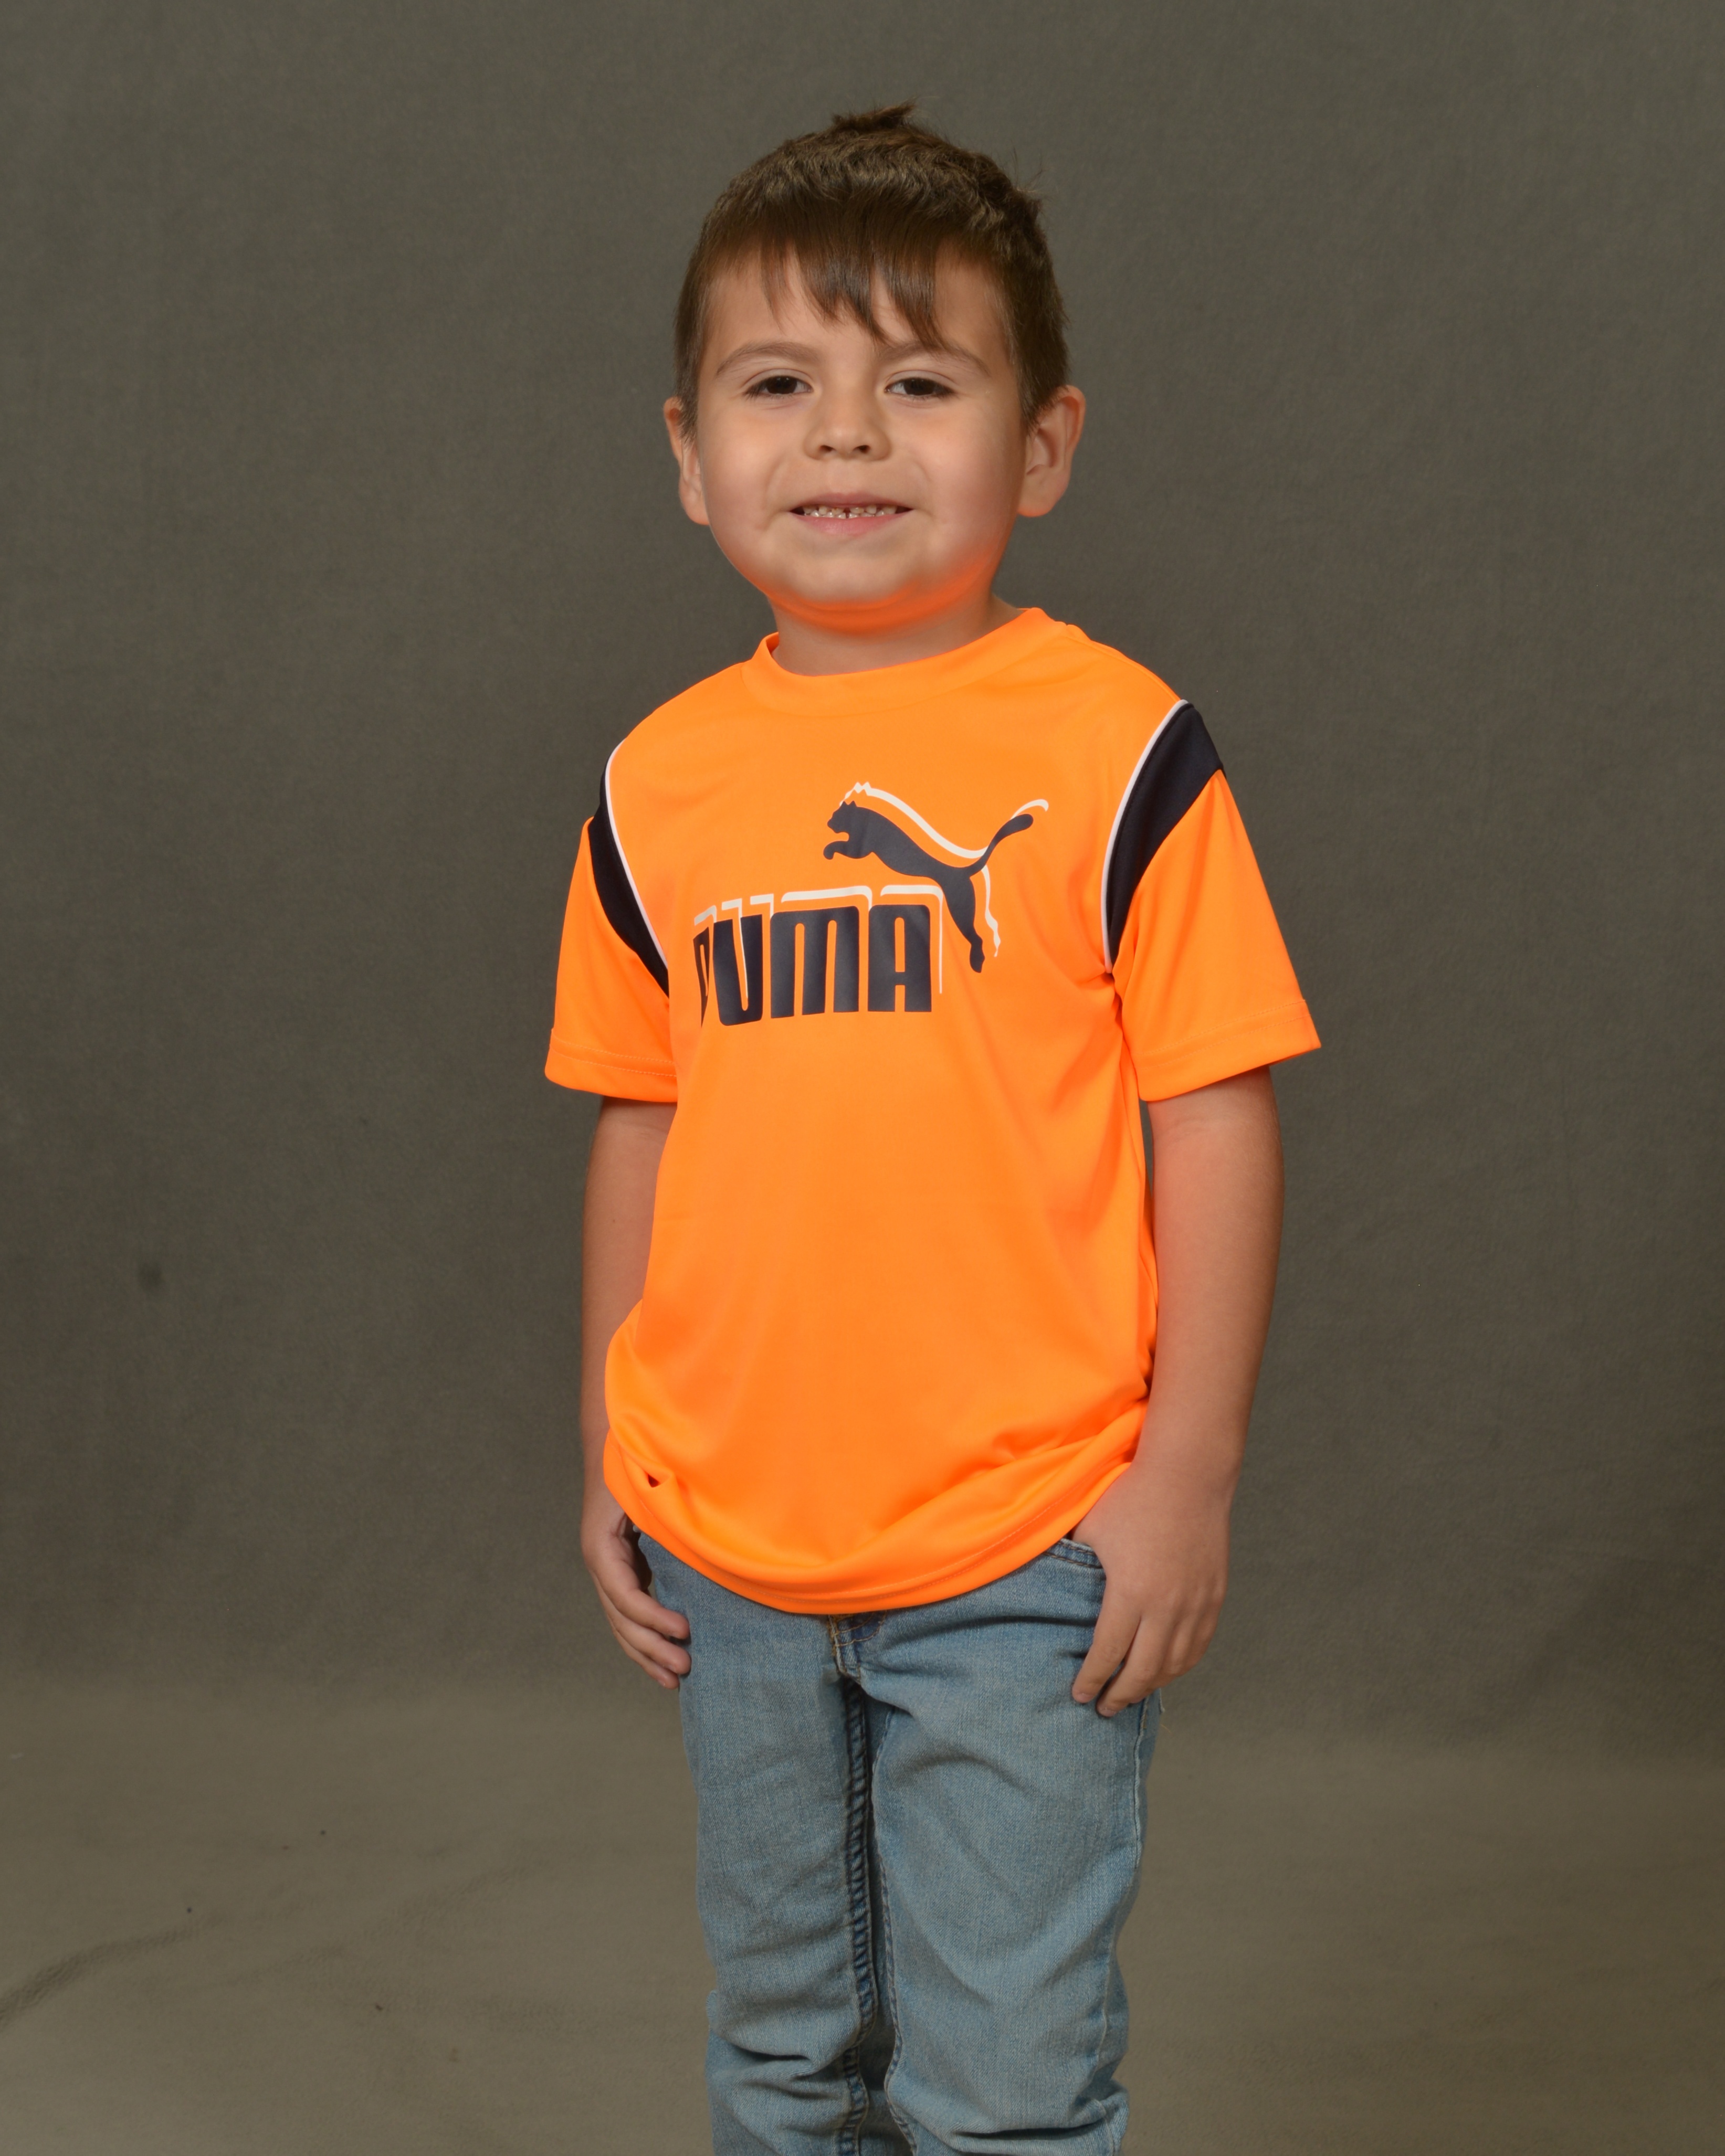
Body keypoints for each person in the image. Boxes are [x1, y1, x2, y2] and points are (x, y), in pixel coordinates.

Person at [547, 103, 1319, 2154]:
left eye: (919, 383)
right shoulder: (652, 786)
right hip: (737, 1549)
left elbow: (1215, 1117)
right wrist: (613, 1435)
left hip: (1028, 1538)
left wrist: (1185, 1475)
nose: (845, 435)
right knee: (786, 2050)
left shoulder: (1121, 751)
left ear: (1041, 446)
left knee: (1003, 2080)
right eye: (777, 386)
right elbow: (641, 1120)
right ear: (690, 451)